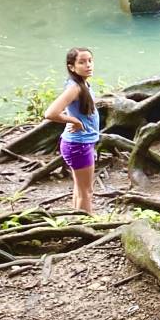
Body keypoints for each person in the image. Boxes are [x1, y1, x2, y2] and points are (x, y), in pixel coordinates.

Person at [44, 47, 99, 214]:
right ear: (71, 67)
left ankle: (77, 220)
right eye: (82, 62)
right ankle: (87, 226)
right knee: (86, 192)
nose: (88, 65)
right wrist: (73, 120)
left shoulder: (80, 84)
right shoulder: (75, 88)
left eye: (90, 60)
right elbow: (50, 113)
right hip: (78, 145)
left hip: (80, 143)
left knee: (80, 189)